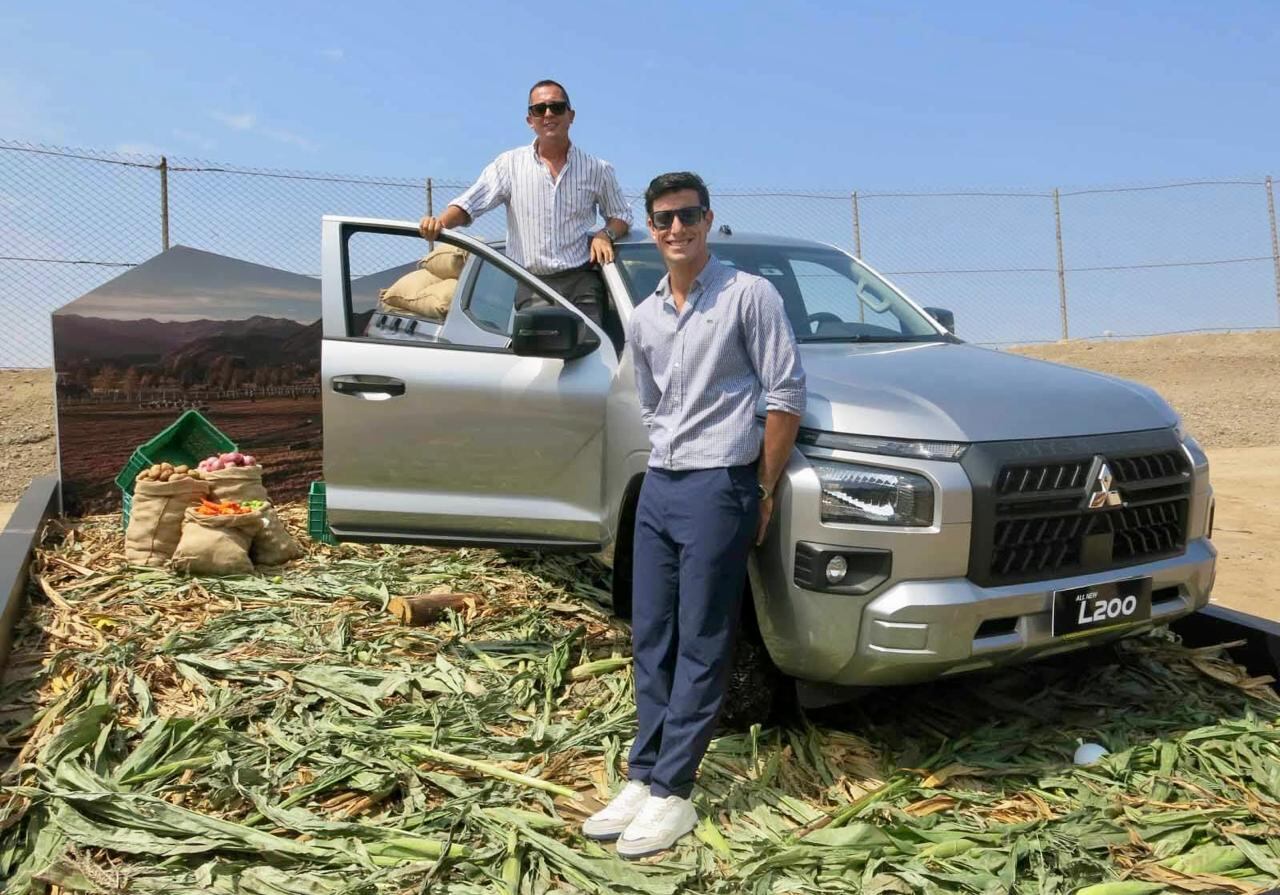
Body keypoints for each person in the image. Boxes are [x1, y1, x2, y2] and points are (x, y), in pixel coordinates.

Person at [582, 172, 806, 858]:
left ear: (707, 220)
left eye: (687, 216)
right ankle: (644, 775)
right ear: (651, 229)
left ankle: (674, 790)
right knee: (651, 635)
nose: (675, 229)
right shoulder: (646, 315)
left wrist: (762, 488)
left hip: (719, 485)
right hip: (661, 485)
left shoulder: (748, 296)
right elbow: (651, 402)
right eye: (663, 219)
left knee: (702, 639)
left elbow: (784, 395)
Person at [418, 80, 631, 327]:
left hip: (582, 283)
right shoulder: (509, 165)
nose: (548, 114)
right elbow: (471, 203)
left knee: (592, 349)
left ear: (571, 116)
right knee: (540, 352)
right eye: (539, 109)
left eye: (556, 107)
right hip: (533, 286)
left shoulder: (597, 169)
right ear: (530, 120)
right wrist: (440, 223)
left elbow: (621, 215)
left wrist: (605, 234)